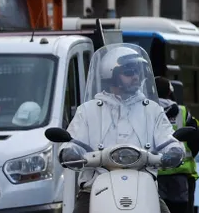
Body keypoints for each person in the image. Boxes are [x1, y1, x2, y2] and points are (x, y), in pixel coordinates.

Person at [65, 44, 180, 213]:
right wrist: (69, 151)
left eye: (137, 73)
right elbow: (73, 142)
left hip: (143, 190)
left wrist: (174, 150)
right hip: (94, 189)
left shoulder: (152, 110)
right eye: (128, 72)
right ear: (110, 74)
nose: (135, 77)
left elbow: (168, 139)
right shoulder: (88, 110)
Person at [155, 77, 199, 213]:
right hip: (182, 175)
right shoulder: (183, 112)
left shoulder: (145, 112)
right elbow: (194, 139)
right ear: (170, 92)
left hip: (154, 174)